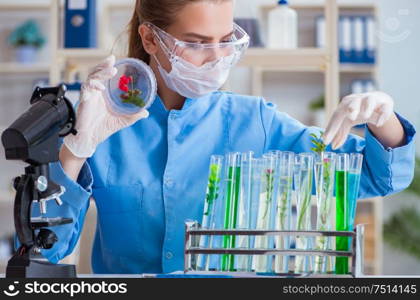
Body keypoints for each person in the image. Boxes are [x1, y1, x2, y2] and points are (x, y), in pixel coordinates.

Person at [33, 0, 415, 274]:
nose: (216, 57)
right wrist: (76, 150)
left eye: (225, 39)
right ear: (150, 39)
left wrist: (383, 120)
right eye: (198, 43)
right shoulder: (106, 126)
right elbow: (47, 249)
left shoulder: (257, 122)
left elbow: (378, 177)